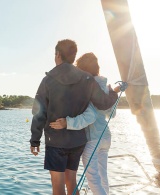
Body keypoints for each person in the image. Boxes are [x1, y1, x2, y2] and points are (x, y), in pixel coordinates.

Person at [30, 40, 118, 195]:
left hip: (56, 141)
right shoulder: (87, 79)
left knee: (58, 185)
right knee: (71, 180)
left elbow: (39, 112)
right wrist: (113, 92)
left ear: (57, 55)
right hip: (78, 141)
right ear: (73, 55)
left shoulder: (48, 80)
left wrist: (35, 140)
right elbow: (103, 103)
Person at [50, 52, 120, 195]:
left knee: (93, 179)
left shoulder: (87, 88)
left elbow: (90, 116)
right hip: (106, 138)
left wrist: (67, 123)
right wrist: (113, 92)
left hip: (93, 138)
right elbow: (112, 114)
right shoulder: (105, 87)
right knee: (102, 176)